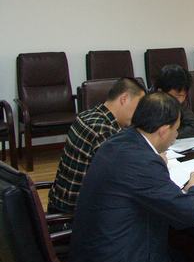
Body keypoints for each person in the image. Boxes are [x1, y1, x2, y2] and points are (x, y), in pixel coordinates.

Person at [68, 92, 194, 262]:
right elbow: (189, 212)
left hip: (92, 260)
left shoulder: (118, 141)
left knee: (183, 257)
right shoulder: (142, 162)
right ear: (163, 130)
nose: (176, 135)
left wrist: (156, 164)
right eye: (176, 129)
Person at [48, 77, 145, 214]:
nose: (138, 114)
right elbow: (125, 177)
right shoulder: (104, 131)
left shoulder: (88, 115)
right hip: (76, 213)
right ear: (124, 99)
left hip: (60, 201)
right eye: (138, 106)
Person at [154, 64, 194, 138]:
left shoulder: (180, 103)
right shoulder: (146, 104)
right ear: (160, 92)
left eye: (183, 96)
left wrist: (172, 135)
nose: (179, 100)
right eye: (176, 96)